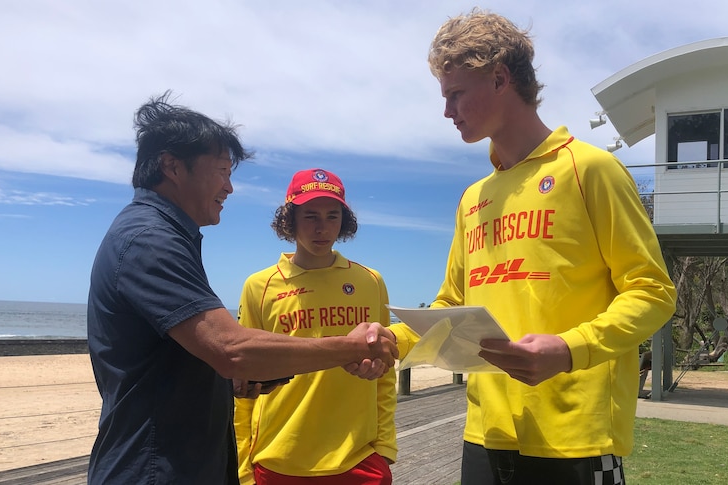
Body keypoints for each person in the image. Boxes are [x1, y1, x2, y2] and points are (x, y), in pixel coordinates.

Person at [419, 9, 677, 484]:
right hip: (484, 433)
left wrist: (568, 348)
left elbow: (653, 292)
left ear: (499, 78)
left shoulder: (589, 169)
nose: (447, 111)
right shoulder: (473, 197)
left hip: (574, 437)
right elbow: (450, 305)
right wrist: (384, 342)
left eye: (455, 94)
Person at [86, 93, 398, 484]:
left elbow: (206, 357)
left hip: (182, 462)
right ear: (172, 167)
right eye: (221, 171)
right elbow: (231, 349)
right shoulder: (149, 240)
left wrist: (233, 379)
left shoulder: (163, 236)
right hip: (156, 468)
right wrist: (355, 347)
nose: (229, 187)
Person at [234, 168, 396, 485]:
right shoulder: (259, 286)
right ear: (290, 219)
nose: (322, 228)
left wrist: (385, 444)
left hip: (358, 457)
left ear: (343, 220)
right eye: (310, 216)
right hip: (278, 458)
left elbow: (385, 369)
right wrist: (242, 468)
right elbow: (241, 382)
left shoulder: (370, 281)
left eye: (332, 216)